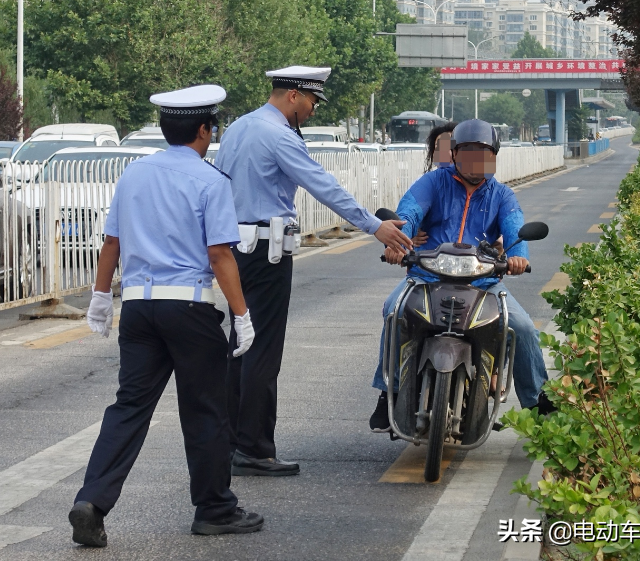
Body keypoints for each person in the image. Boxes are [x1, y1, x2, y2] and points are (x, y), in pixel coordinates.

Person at [70, 84, 263, 546]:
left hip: (138, 308)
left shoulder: (133, 174)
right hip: (189, 309)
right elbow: (219, 254)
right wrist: (242, 315)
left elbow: (111, 243)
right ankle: (215, 508)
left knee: (129, 407)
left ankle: (92, 501)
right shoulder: (211, 181)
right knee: (205, 410)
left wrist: (101, 296)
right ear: (204, 130)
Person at [216, 65, 412, 477]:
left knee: (239, 344)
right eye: (310, 102)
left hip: (235, 248)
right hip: (267, 252)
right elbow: (322, 185)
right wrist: (374, 226)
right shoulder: (278, 135)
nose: (311, 111)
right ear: (293, 96)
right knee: (262, 351)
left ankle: (231, 442)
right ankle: (254, 449)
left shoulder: (238, 128)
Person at [368, 118, 555, 432]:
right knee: (393, 310)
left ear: (493, 157)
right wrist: (398, 244)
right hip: (427, 276)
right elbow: (409, 212)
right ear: (453, 154)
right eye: (467, 151)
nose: (475, 159)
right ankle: (390, 391)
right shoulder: (432, 182)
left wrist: (518, 257)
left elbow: (514, 228)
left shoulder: (502, 196)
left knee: (520, 326)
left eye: (483, 152)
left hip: (482, 281)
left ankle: (537, 400)